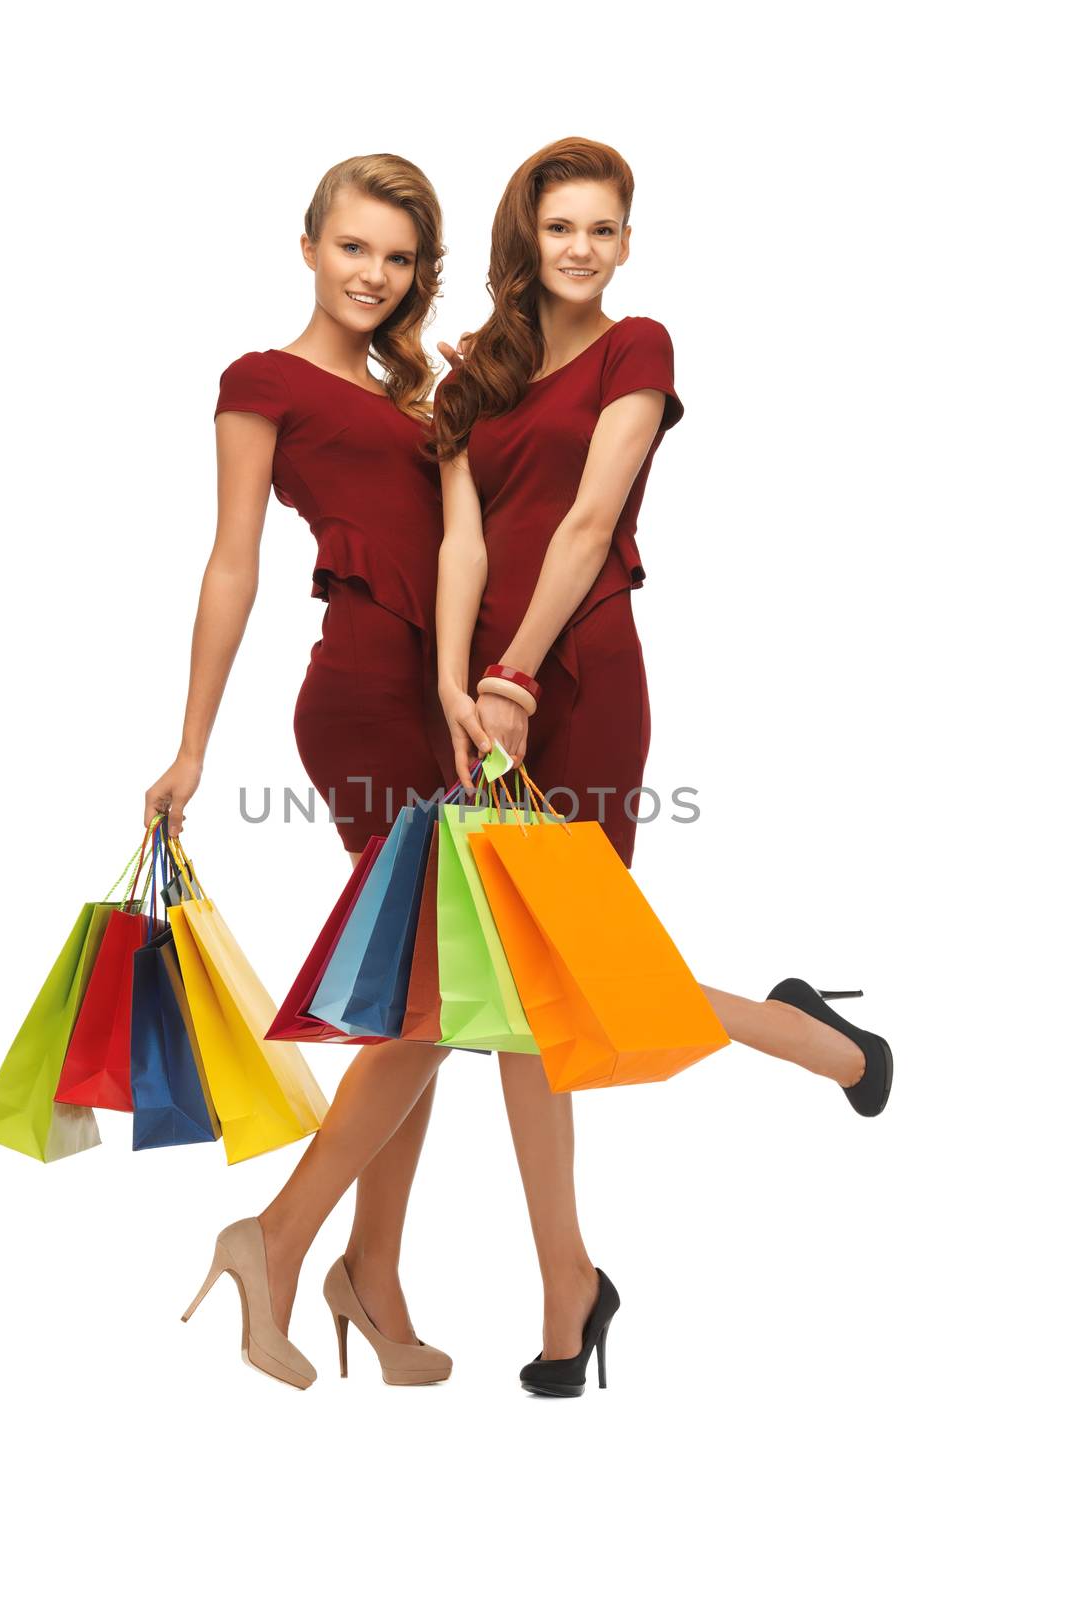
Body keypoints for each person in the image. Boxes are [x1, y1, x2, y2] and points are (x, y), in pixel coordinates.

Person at [432, 136, 893, 1398]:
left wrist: (516, 675)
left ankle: (822, 1044)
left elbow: (588, 519)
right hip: (482, 701)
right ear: (522, 240)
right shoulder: (471, 372)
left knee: (580, 974)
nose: (578, 248)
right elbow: (461, 538)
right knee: (516, 1003)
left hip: (572, 681)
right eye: (557, 226)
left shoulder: (641, 348)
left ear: (625, 242)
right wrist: (458, 688)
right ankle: (566, 1289)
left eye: (600, 227)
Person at [148, 154, 460, 1389]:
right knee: (434, 1002)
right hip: (368, 697)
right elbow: (232, 563)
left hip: (446, 704)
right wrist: (192, 742)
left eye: (396, 258)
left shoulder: (417, 392)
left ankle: (368, 1277)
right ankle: (280, 1243)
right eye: (354, 248)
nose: (374, 275)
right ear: (309, 245)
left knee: (425, 1001)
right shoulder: (262, 381)